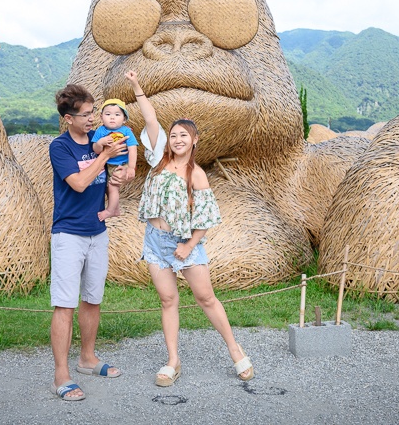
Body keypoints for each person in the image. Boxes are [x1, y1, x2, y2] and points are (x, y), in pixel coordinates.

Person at [126, 69, 255, 387]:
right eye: (174, 135)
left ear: (194, 140)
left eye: (184, 135)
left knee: (206, 298)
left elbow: (207, 217)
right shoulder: (157, 160)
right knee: (168, 300)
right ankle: (172, 361)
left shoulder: (196, 174)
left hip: (185, 243)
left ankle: (235, 349)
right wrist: (138, 87)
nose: (178, 139)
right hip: (155, 241)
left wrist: (188, 245)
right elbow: (151, 119)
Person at [48, 84, 128, 401]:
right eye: (85, 114)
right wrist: (105, 155)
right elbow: (80, 183)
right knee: (65, 305)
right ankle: (61, 375)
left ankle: (87, 359)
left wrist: (117, 177)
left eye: (93, 111)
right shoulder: (60, 147)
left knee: (93, 299)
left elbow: (104, 176)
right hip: (68, 233)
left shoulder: (99, 142)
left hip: (98, 231)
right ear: (69, 118)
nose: (93, 118)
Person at [91, 98, 139, 221]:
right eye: (108, 114)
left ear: (124, 118)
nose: (112, 117)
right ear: (101, 117)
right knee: (107, 187)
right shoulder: (100, 131)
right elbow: (96, 149)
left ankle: (110, 210)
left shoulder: (126, 131)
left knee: (113, 187)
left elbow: (132, 149)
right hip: (106, 164)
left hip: (121, 164)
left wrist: (131, 168)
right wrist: (100, 142)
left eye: (117, 115)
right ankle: (116, 209)